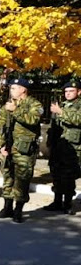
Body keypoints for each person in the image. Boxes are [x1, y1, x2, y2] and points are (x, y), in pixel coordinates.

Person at [0, 78, 43, 223]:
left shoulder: (35, 104)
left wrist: (16, 111)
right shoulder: (8, 105)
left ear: (23, 89)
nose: (11, 90)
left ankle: (18, 209)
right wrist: (0, 145)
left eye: (14, 88)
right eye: (11, 88)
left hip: (24, 149)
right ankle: (7, 207)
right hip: (8, 148)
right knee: (7, 177)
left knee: (22, 179)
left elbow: (33, 120)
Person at [46, 81, 81, 215]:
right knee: (56, 172)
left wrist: (61, 112)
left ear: (78, 92)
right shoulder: (62, 105)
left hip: (73, 146)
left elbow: (78, 120)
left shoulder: (78, 105)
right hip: (58, 145)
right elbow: (54, 125)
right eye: (66, 91)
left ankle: (67, 203)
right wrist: (50, 142)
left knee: (68, 175)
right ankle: (57, 201)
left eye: (71, 91)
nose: (68, 94)